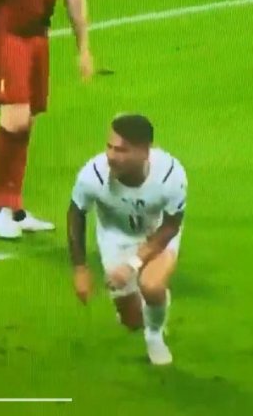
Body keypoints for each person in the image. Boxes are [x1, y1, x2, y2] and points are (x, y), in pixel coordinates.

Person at [0, 0, 94, 239]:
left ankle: (16, 208)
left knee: (27, 120)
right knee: (16, 119)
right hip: (5, 30)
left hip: (37, 31)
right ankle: (0, 208)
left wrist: (83, 47)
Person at [67, 113, 187, 365]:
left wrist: (132, 265)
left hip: (157, 236)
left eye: (122, 150)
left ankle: (155, 336)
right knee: (132, 321)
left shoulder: (170, 175)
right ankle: (152, 310)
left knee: (151, 285)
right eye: (109, 147)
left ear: (144, 151)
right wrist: (80, 268)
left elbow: (170, 226)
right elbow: (76, 214)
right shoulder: (93, 174)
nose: (111, 156)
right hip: (115, 237)